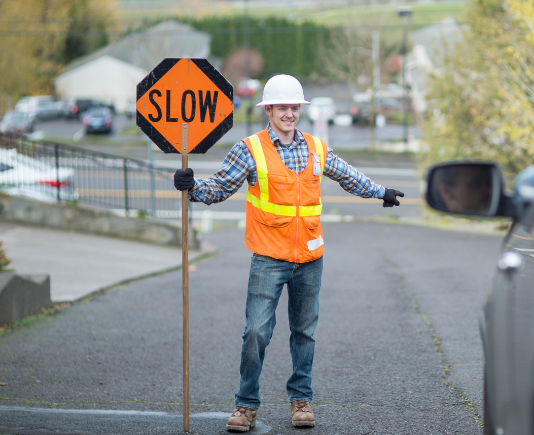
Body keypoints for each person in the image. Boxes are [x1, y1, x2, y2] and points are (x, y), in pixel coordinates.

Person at [172, 74, 405, 431]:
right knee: (256, 333)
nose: (289, 113)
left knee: (304, 333)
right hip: (268, 258)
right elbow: (218, 189)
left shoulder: (316, 147)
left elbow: (347, 175)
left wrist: (380, 191)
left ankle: (301, 400)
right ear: (268, 110)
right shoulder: (249, 149)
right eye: (282, 107)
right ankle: (245, 406)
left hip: (310, 259)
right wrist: (192, 188)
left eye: (294, 107)